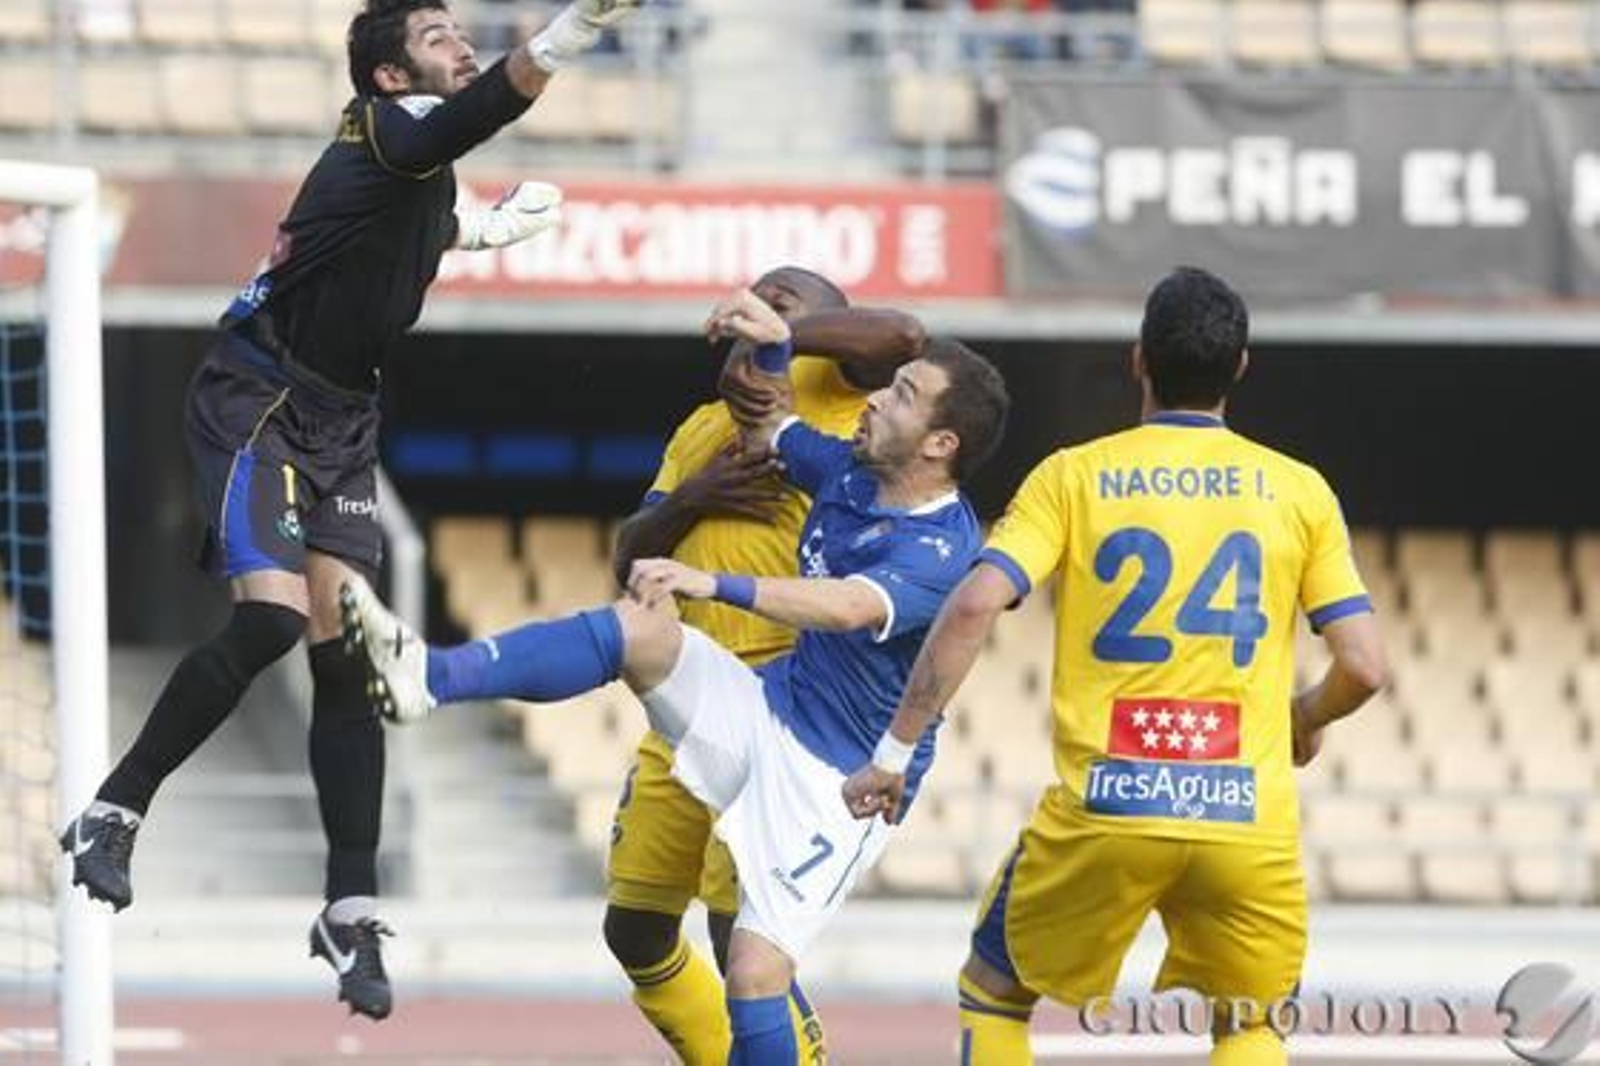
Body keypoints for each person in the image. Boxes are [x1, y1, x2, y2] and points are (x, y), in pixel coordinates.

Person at [58, 0, 641, 1021]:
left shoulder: (412, 163)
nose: (459, 43)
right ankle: (115, 806)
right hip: (261, 397)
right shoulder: (381, 128)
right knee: (274, 617)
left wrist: (482, 230)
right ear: (387, 78)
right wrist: (566, 35)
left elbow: (398, 223)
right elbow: (444, 137)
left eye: (461, 31)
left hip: (344, 418)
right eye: (435, 38)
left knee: (351, 655)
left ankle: (348, 906)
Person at [341, 287, 1010, 1063]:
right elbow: (771, 426)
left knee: (755, 972)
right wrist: (772, 342)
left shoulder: (942, 550)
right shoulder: (851, 473)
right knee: (639, 633)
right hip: (768, 706)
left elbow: (847, 607)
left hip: (837, 779)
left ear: (940, 446)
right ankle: (430, 675)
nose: (877, 401)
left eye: (900, 396)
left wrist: (714, 583)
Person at [843, 266, 1390, 1066]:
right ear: (1240, 368)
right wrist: (1304, 716)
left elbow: (969, 606)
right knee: (1251, 1023)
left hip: (1104, 808)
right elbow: (1367, 667)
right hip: (1245, 817)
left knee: (993, 992)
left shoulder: (1073, 476)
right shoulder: (1299, 491)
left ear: (1138, 360)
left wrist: (893, 752)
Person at [605, 266, 926, 1065]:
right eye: (752, 300)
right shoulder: (700, 428)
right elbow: (628, 558)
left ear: (825, 329)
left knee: (740, 936)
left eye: (781, 302)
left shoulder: (853, 413)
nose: (756, 309)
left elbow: (905, 335)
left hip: (782, 708)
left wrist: (784, 338)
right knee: (635, 928)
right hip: (686, 702)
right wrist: (694, 498)